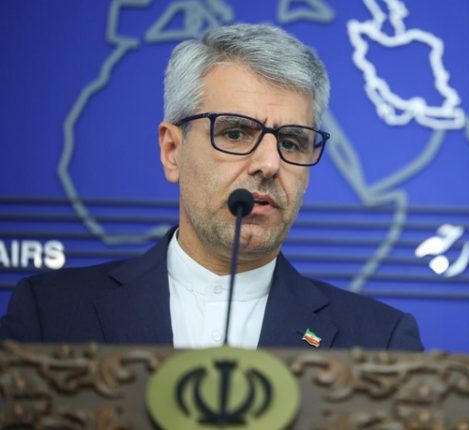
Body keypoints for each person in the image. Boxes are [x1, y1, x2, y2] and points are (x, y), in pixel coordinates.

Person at [0, 24, 423, 351]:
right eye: (236, 133)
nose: (269, 164)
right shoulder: (49, 314)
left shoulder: (379, 339)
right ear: (172, 151)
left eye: (292, 141)